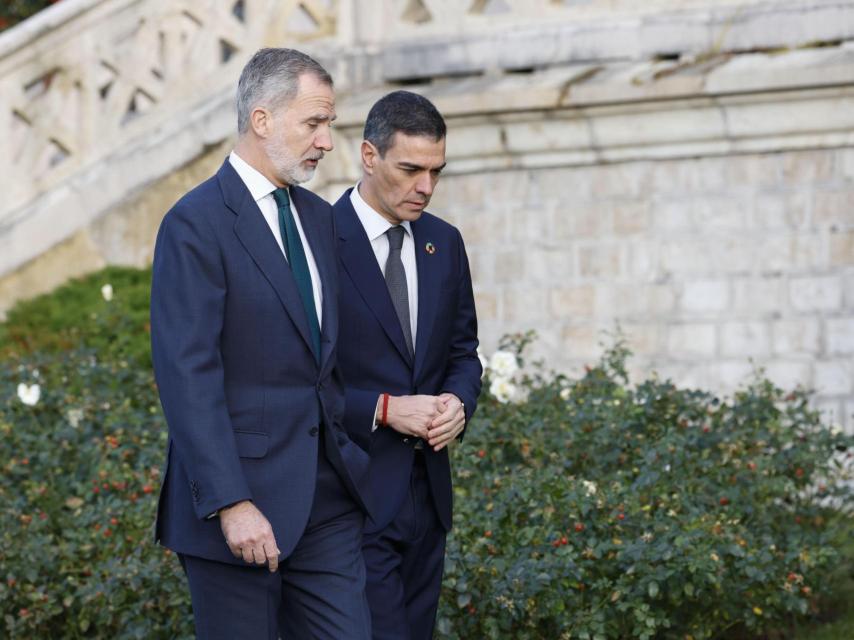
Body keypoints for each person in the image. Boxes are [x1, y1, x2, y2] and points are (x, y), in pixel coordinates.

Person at [150, 48, 372, 639]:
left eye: (329, 124)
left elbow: (326, 361)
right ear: (263, 119)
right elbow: (185, 372)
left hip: (329, 503)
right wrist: (230, 503)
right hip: (240, 510)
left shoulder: (321, 218)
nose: (327, 141)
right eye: (314, 123)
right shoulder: (194, 223)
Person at [332, 90, 482, 639]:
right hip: (350, 498)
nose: (426, 187)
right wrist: (384, 409)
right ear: (369, 156)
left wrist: (459, 404)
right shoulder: (319, 241)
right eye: (411, 169)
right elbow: (299, 379)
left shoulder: (445, 242)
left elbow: (464, 352)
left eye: (436, 172)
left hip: (429, 499)